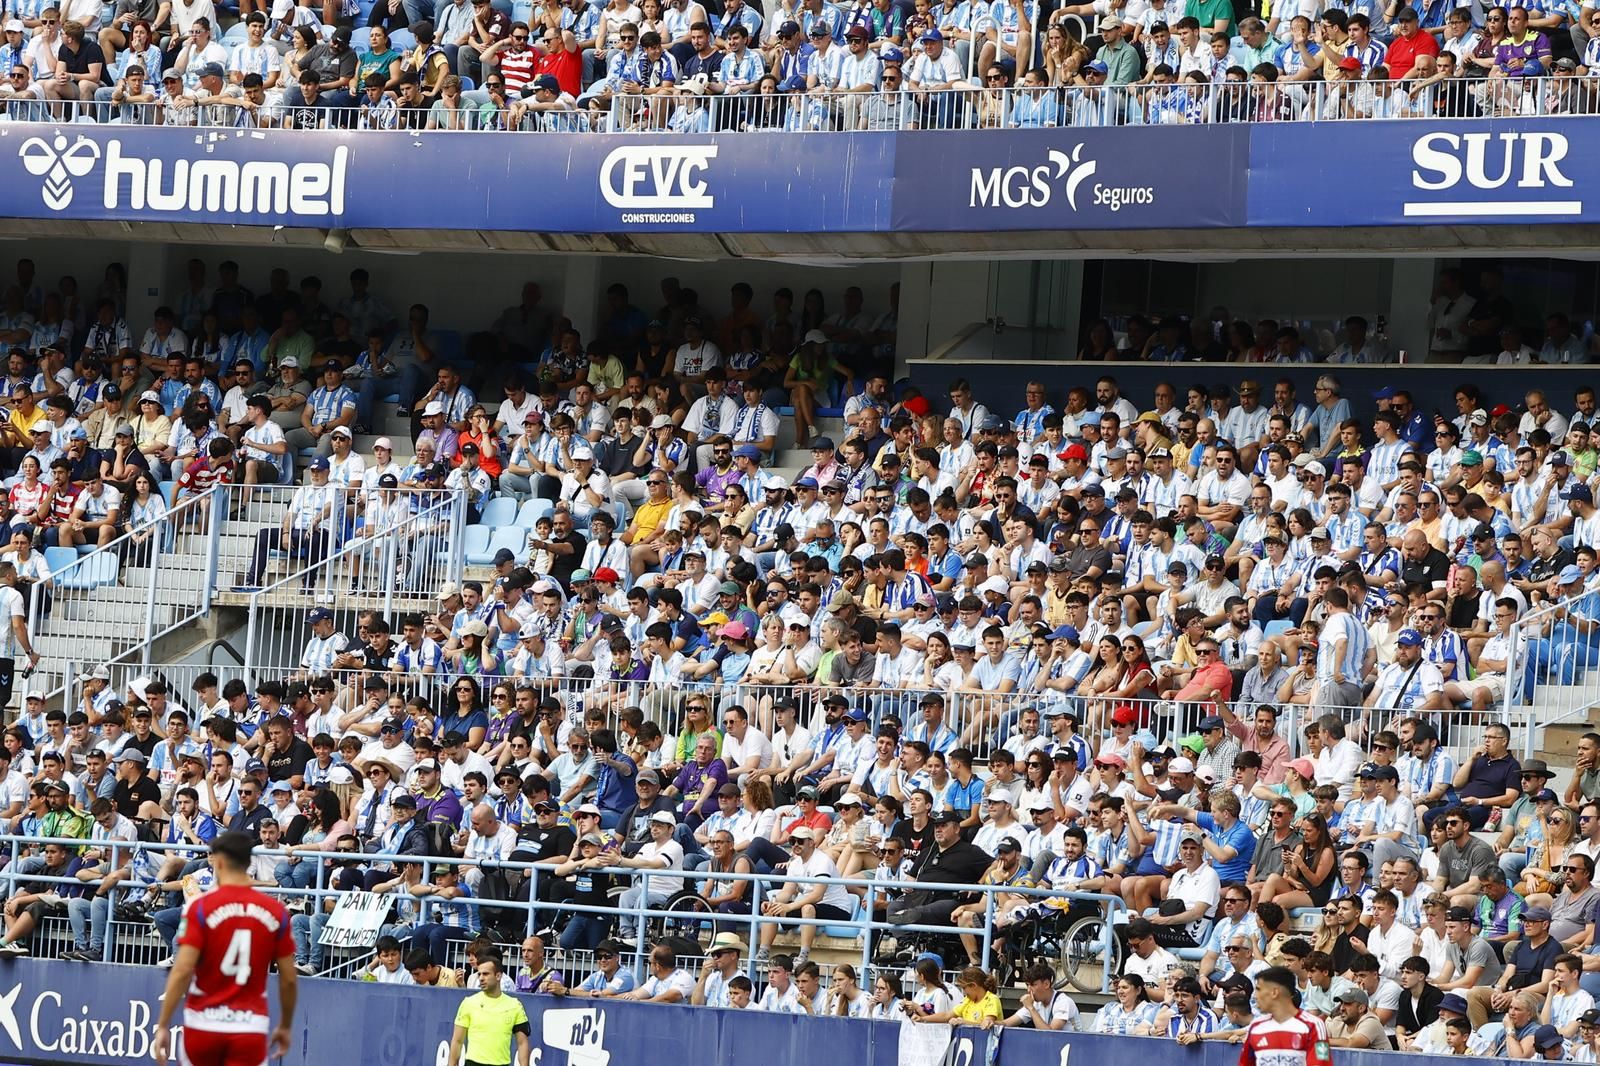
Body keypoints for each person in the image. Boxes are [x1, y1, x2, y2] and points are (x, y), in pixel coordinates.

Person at [152, 831, 297, 1066]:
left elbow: (182, 970)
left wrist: (164, 1024)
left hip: (203, 1023)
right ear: (249, 862)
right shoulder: (276, 911)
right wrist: (286, 1025)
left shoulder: (199, 907)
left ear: (218, 862)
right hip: (249, 1026)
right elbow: (289, 978)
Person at [448, 952, 532, 1066]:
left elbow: (522, 1043)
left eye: (486, 974)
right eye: (479, 974)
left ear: (498, 976)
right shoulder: (469, 1002)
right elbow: (457, 1041)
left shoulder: (514, 1005)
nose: (481, 978)